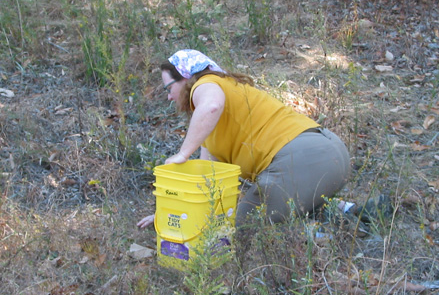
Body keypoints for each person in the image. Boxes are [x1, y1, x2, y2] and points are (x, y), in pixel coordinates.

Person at [137, 49, 351, 230]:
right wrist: (165, 214)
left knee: (235, 228)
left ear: (186, 77)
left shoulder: (206, 84)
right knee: (261, 212)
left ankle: (313, 236)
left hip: (303, 159)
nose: (169, 96)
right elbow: (206, 183)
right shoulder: (218, 115)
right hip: (330, 155)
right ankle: (345, 211)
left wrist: (182, 154)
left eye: (169, 88)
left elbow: (210, 106)